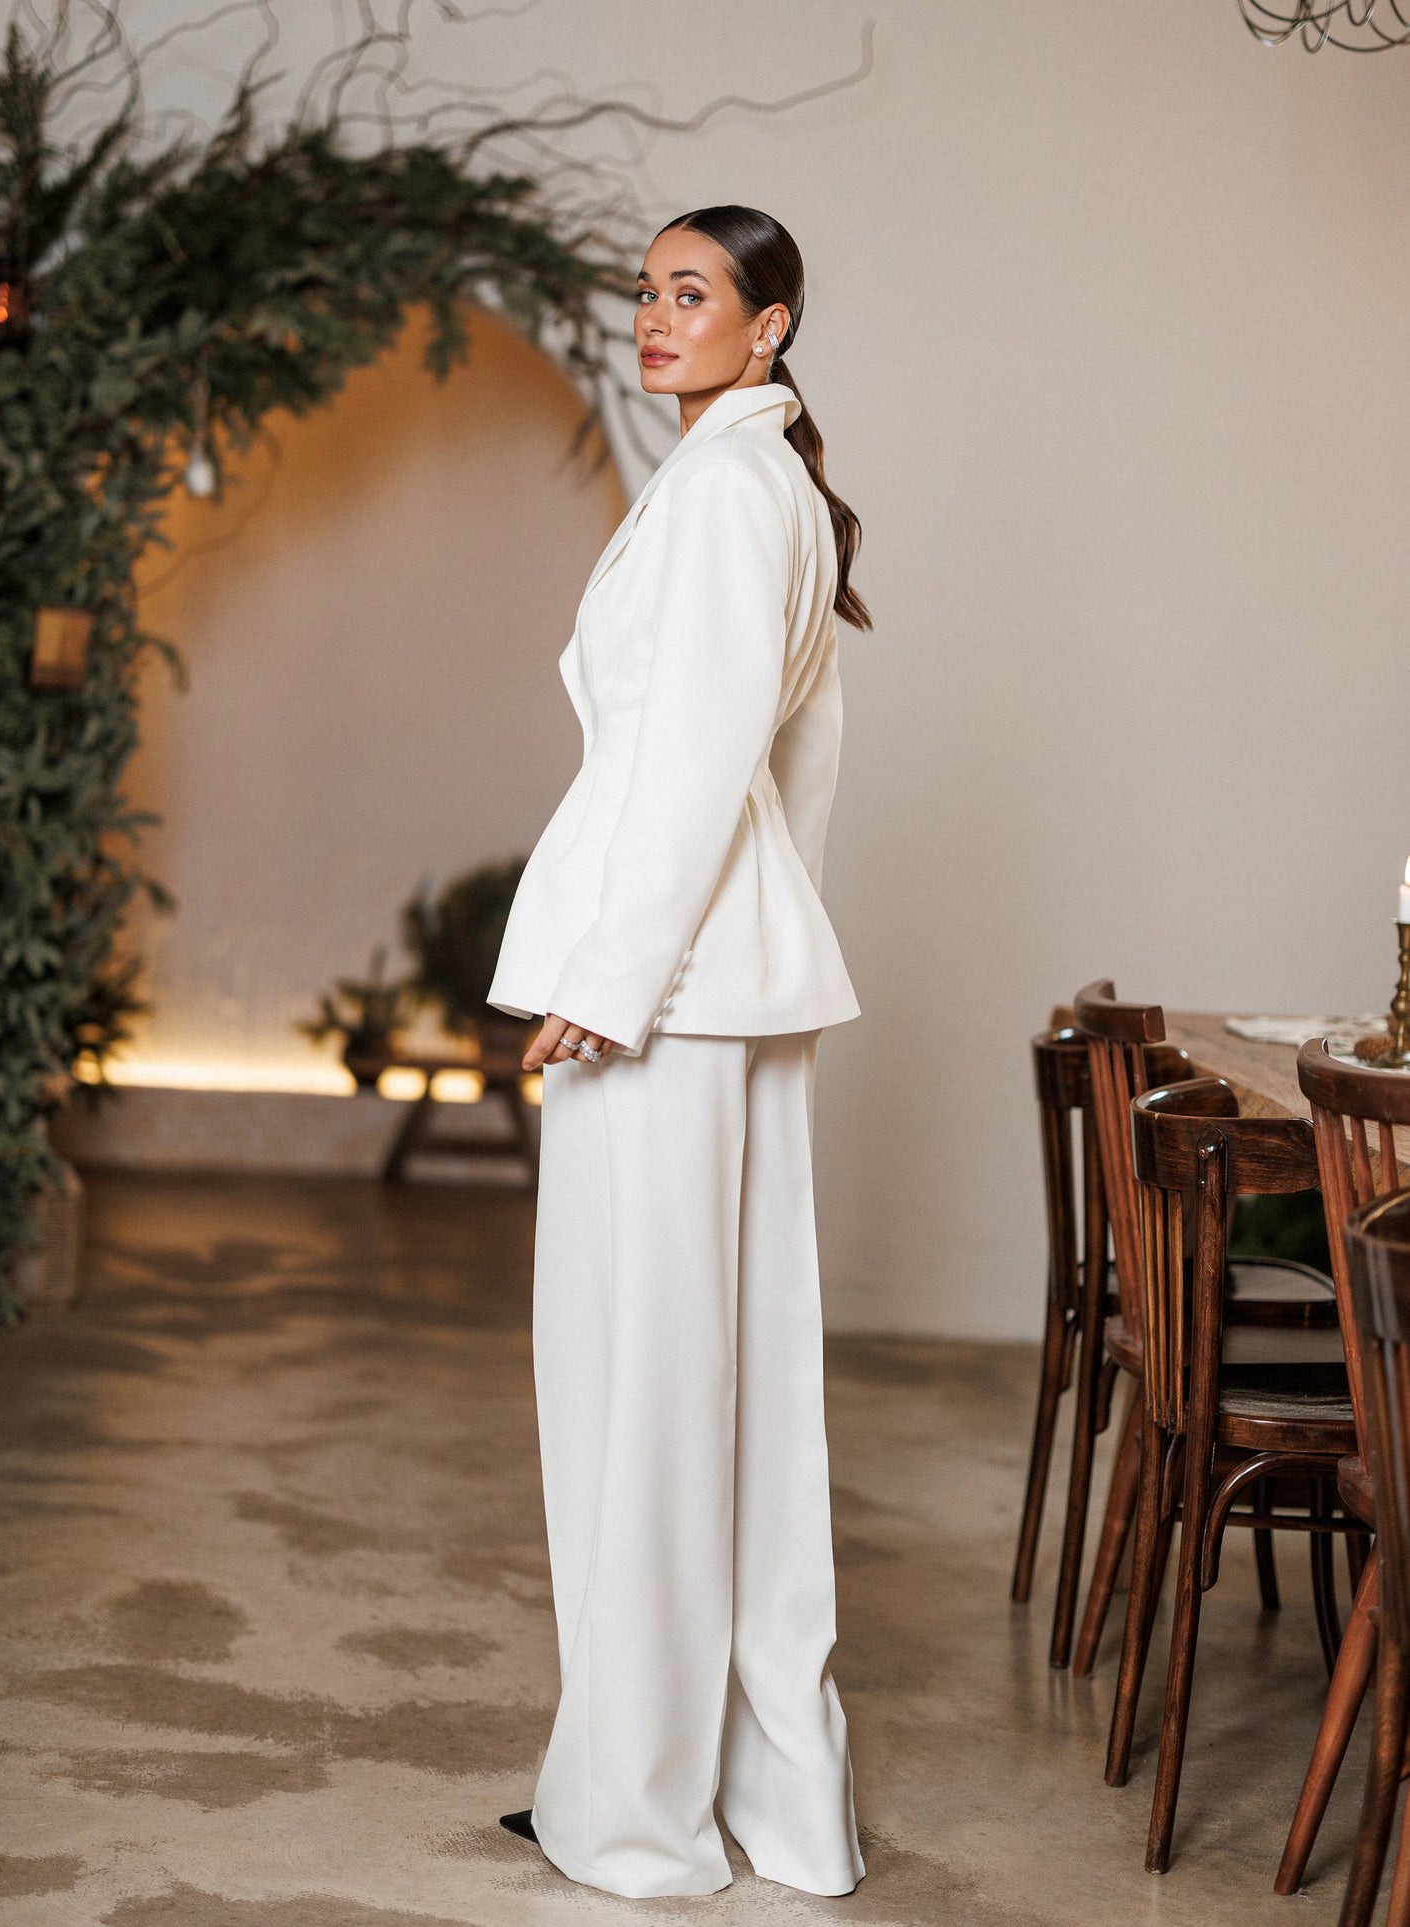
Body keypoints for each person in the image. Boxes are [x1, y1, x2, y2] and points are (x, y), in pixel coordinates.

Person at [485, 203, 870, 1901]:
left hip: (665, 995)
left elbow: (704, 759)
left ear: (767, 325)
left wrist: (616, 973)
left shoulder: (727, 493)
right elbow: (792, 782)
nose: (654, 316)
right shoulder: (758, 487)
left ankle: (637, 1819)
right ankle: (768, 1804)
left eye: (690, 292)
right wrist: (734, 949)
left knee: (638, 1397)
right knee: (735, 1401)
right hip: (729, 988)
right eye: (643, 291)